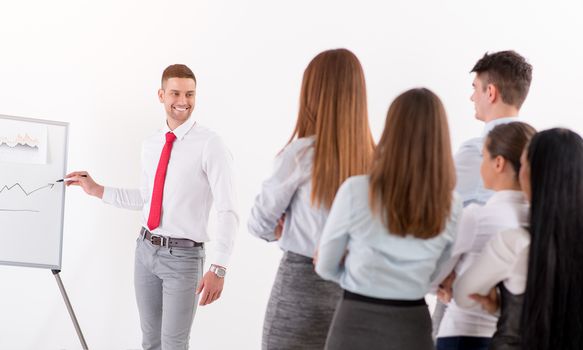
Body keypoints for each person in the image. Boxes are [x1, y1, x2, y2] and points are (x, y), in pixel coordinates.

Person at [66, 64, 238, 350]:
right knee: (150, 342)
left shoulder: (211, 145)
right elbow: (148, 199)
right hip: (145, 252)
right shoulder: (151, 144)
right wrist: (97, 190)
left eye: (190, 94)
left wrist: (219, 267)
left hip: (183, 260)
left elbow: (228, 209)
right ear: (161, 95)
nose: (183, 101)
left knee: (173, 345)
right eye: (175, 93)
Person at [247, 48, 375, 350]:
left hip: (301, 288)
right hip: (358, 293)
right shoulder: (379, 160)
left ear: (312, 94)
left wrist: (283, 226)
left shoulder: (301, 154)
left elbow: (258, 223)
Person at [316, 88, 461, 350]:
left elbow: (324, 267)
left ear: (391, 132)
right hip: (412, 327)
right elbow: (435, 276)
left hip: (354, 320)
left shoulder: (356, 190)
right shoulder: (452, 205)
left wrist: (356, 271)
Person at [432, 50, 534, 338]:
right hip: (515, 300)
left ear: (491, 92)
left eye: (475, 89)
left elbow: (441, 218)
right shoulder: (538, 148)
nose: (471, 97)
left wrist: (439, 277)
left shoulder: (475, 152)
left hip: (464, 296)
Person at [454, 128, 583, 350]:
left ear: (536, 174)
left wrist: (498, 302)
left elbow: (463, 294)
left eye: (523, 165)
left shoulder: (514, 243)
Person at [435, 122, 536, 350]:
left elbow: (438, 273)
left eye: (483, 157)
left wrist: (445, 284)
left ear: (498, 163)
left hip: (464, 332)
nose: (481, 166)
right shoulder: (541, 220)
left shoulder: (476, 217)